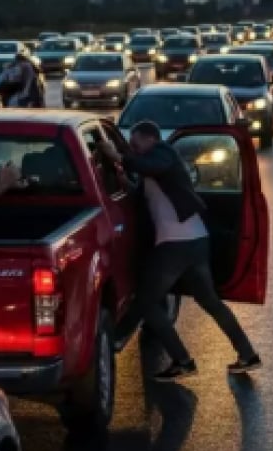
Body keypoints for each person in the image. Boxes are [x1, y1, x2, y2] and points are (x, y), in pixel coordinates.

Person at [98, 120, 261, 381]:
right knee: (210, 302)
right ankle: (247, 354)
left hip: (176, 245)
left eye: (136, 143)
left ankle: (181, 360)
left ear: (151, 139)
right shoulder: (152, 167)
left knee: (146, 303)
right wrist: (122, 176)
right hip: (194, 241)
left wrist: (117, 156)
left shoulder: (164, 153)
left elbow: (149, 164)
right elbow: (138, 193)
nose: (133, 148)